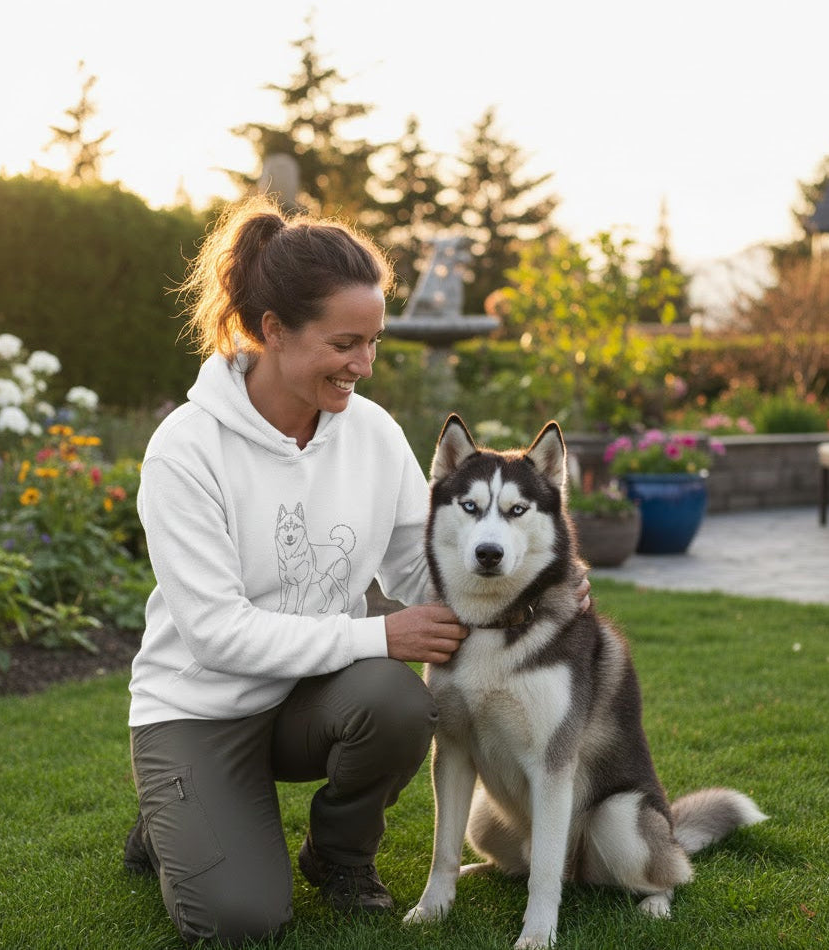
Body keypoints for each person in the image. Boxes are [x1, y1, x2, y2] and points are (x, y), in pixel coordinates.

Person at [123, 196, 585, 946]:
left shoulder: (368, 432)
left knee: (404, 707)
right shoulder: (187, 450)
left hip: (312, 698)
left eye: (372, 343)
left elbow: (418, 562)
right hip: (200, 709)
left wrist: (538, 587)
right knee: (240, 921)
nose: (363, 366)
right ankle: (167, 817)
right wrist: (378, 636)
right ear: (273, 330)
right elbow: (214, 635)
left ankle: (338, 858)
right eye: (345, 343)